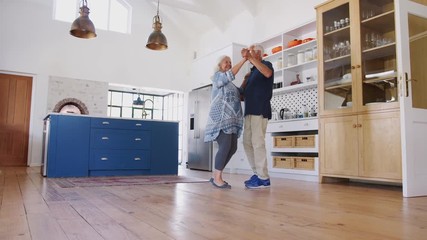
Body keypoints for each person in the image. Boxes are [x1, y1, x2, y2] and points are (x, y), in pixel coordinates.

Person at [204, 55, 247, 189]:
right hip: (221, 119)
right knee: (225, 146)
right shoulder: (217, 77)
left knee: (232, 148)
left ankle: (215, 175)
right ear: (219, 65)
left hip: (232, 120)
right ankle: (217, 178)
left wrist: (246, 79)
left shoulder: (230, 84)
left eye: (230, 62)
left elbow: (240, 93)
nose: (228, 64)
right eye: (225, 62)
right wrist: (244, 60)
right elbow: (229, 75)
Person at [240, 44, 274, 189]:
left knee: (257, 143)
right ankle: (257, 173)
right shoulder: (252, 72)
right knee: (247, 143)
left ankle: (264, 178)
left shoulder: (266, 64)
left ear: (259, 53)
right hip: (248, 111)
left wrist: (251, 59)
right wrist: (245, 79)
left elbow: (267, 73)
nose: (248, 53)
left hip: (260, 110)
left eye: (252, 50)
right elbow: (241, 95)